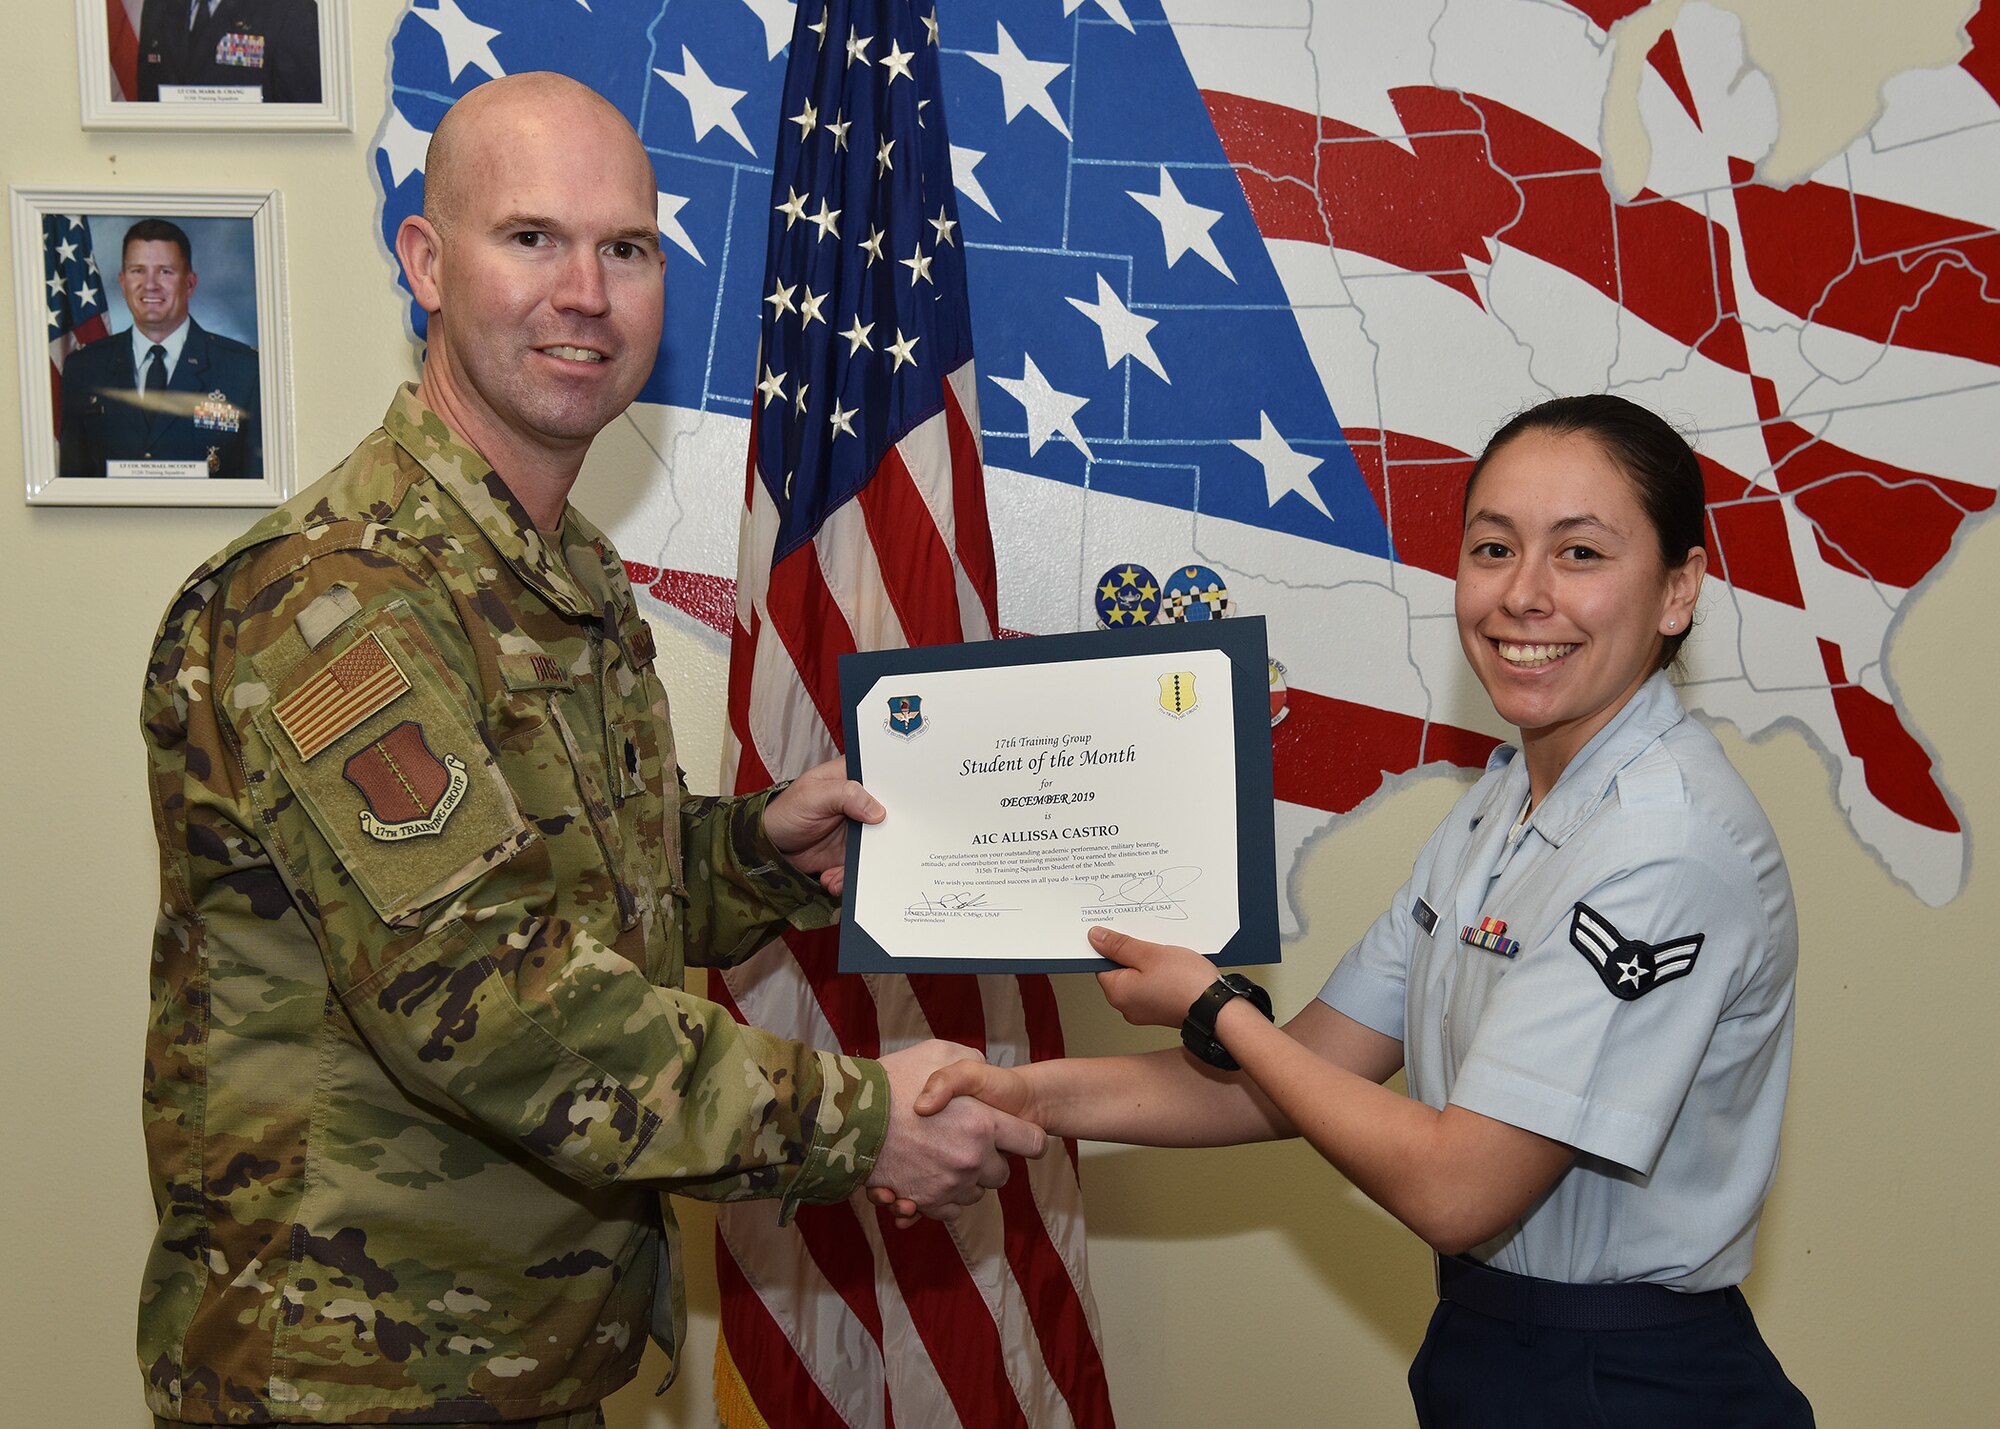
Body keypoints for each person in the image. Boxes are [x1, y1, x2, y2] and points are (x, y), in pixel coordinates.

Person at [137, 73, 1041, 1428]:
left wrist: (757, 849)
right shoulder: (331, 602)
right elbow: (489, 1000)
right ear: (428, 263)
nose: (587, 293)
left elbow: (568, 885)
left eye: (626, 248)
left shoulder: (562, 570)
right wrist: (855, 1118)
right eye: (533, 239)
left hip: (534, 1358)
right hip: (353, 1376)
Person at [909, 395, 1816, 1426]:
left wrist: (1216, 1007)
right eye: (1491, 547)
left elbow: (1455, 1189)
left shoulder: (1662, 843)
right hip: (1490, 1345)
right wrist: (1024, 1096)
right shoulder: (1500, 808)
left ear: (1675, 591)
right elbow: (1299, 1073)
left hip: (1627, 1382)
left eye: (1578, 554)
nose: (1522, 594)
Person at [59, 218, 261, 479]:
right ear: (122, 281)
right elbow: (73, 485)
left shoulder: (242, 370)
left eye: (165, 271)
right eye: (137, 271)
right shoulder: (84, 368)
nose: (150, 284)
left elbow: (258, 482)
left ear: (189, 283)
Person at [135, 0, 322, 104]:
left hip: (250, 165)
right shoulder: (158, 5)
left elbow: (303, 118)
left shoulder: (290, 9)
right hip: (170, 163)